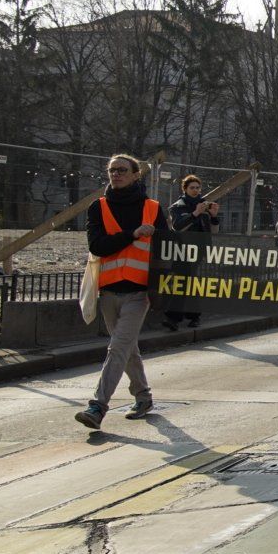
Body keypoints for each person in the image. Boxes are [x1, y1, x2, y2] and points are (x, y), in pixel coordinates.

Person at [75, 154, 170, 430]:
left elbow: (167, 250)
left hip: (140, 293)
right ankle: (143, 397)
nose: (116, 175)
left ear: (135, 174)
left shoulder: (153, 207)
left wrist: (163, 288)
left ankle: (97, 406)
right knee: (126, 348)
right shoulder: (99, 207)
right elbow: (98, 246)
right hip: (109, 291)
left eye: (122, 170)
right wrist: (133, 234)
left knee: (117, 347)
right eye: (112, 170)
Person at [163, 174, 220, 330]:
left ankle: (178, 318)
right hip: (182, 249)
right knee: (186, 281)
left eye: (198, 187)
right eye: (192, 188)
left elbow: (213, 231)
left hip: (199, 250)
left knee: (185, 281)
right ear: (185, 189)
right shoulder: (178, 206)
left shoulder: (204, 206)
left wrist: (214, 217)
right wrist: (195, 213)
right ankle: (188, 317)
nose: (195, 190)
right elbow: (178, 227)